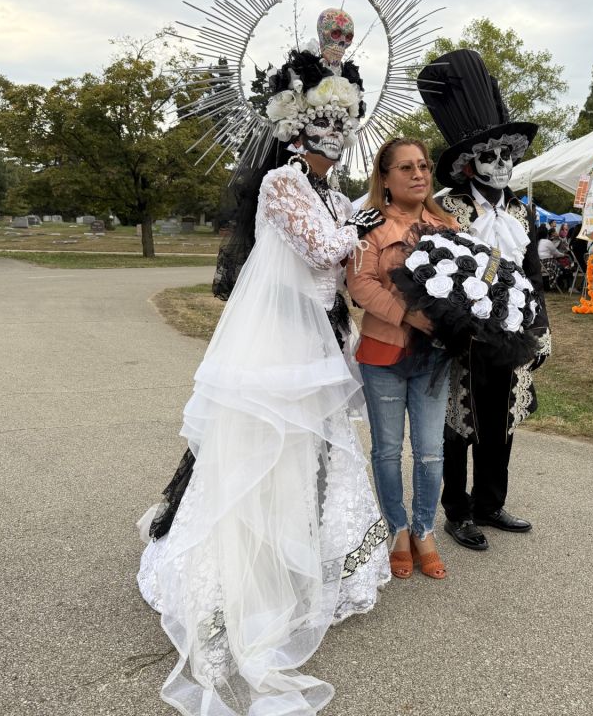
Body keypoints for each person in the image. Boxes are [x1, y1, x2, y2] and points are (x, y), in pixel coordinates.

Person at [136, 36, 392, 716]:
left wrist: (360, 225)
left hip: (320, 333)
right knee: (269, 443)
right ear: (295, 128)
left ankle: (310, 558)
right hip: (278, 338)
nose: (337, 135)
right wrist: (357, 227)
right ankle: (257, 569)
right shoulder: (283, 184)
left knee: (316, 447)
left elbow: (345, 255)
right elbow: (323, 248)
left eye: (345, 123)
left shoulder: (330, 192)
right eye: (325, 123)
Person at [417, 49, 549, 551]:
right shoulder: (447, 207)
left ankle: (491, 502)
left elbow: (532, 273)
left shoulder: (521, 211)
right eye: (490, 157)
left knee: (501, 421)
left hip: (513, 333)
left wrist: (540, 328)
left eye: (507, 155)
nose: (501, 164)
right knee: (460, 424)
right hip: (465, 336)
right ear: (469, 164)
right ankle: (458, 510)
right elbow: (434, 272)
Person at [345, 138, 455, 581]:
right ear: (385, 177)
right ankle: (398, 531)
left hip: (434, 356)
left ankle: (425, 530)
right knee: (388, 450)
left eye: (423, 166)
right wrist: (407, 314)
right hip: (383, 352)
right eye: (406, 167)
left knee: (430, 450)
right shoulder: (369, 227)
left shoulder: (448, 226)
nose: (419, 174)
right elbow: (360, 284)